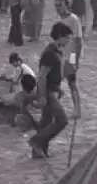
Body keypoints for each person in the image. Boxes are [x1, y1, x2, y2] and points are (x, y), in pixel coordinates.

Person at [30, 22, 74, 158]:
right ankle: (36, 141)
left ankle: (39, 152)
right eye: (67, 37)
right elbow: (42, 76)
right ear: (60, 36)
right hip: (48, 93)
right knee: (62, 120)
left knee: (46, 122)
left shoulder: (57, 51)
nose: (69, 40)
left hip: (53, 90)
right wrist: (43, 96)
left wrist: (59, 88)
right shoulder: (50, 53)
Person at [54, 0, 83, 118]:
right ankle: (56, 109)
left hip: (70, 56)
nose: (57, 8)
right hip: (60, 57)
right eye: (56, 5)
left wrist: (75, 60)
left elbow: (78, 41)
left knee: (72, 84)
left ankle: (77, 110)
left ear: (67, 5)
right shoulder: (60, 20)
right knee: (55, 84)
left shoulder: (73, 20)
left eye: (60, 5)